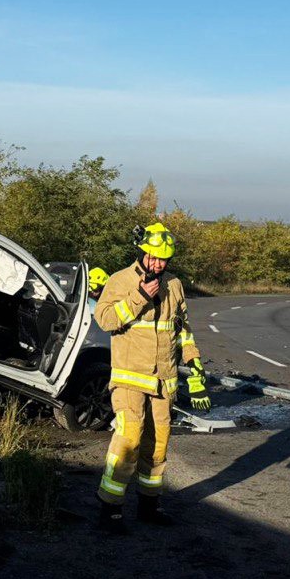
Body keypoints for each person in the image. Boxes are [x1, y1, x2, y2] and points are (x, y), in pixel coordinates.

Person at [93, 223, 210, 532]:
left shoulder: (175, 285)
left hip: (163, 383)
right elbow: (104, 320)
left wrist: (194, 363)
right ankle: (110, 508)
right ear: (142, 252)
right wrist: (139, 297)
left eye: (164, 259)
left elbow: (183, 329)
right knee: (129, 439)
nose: (158, 264)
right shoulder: (120, 280)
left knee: (158, 445)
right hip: (129, 379)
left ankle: (149, 504)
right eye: (154, 258)